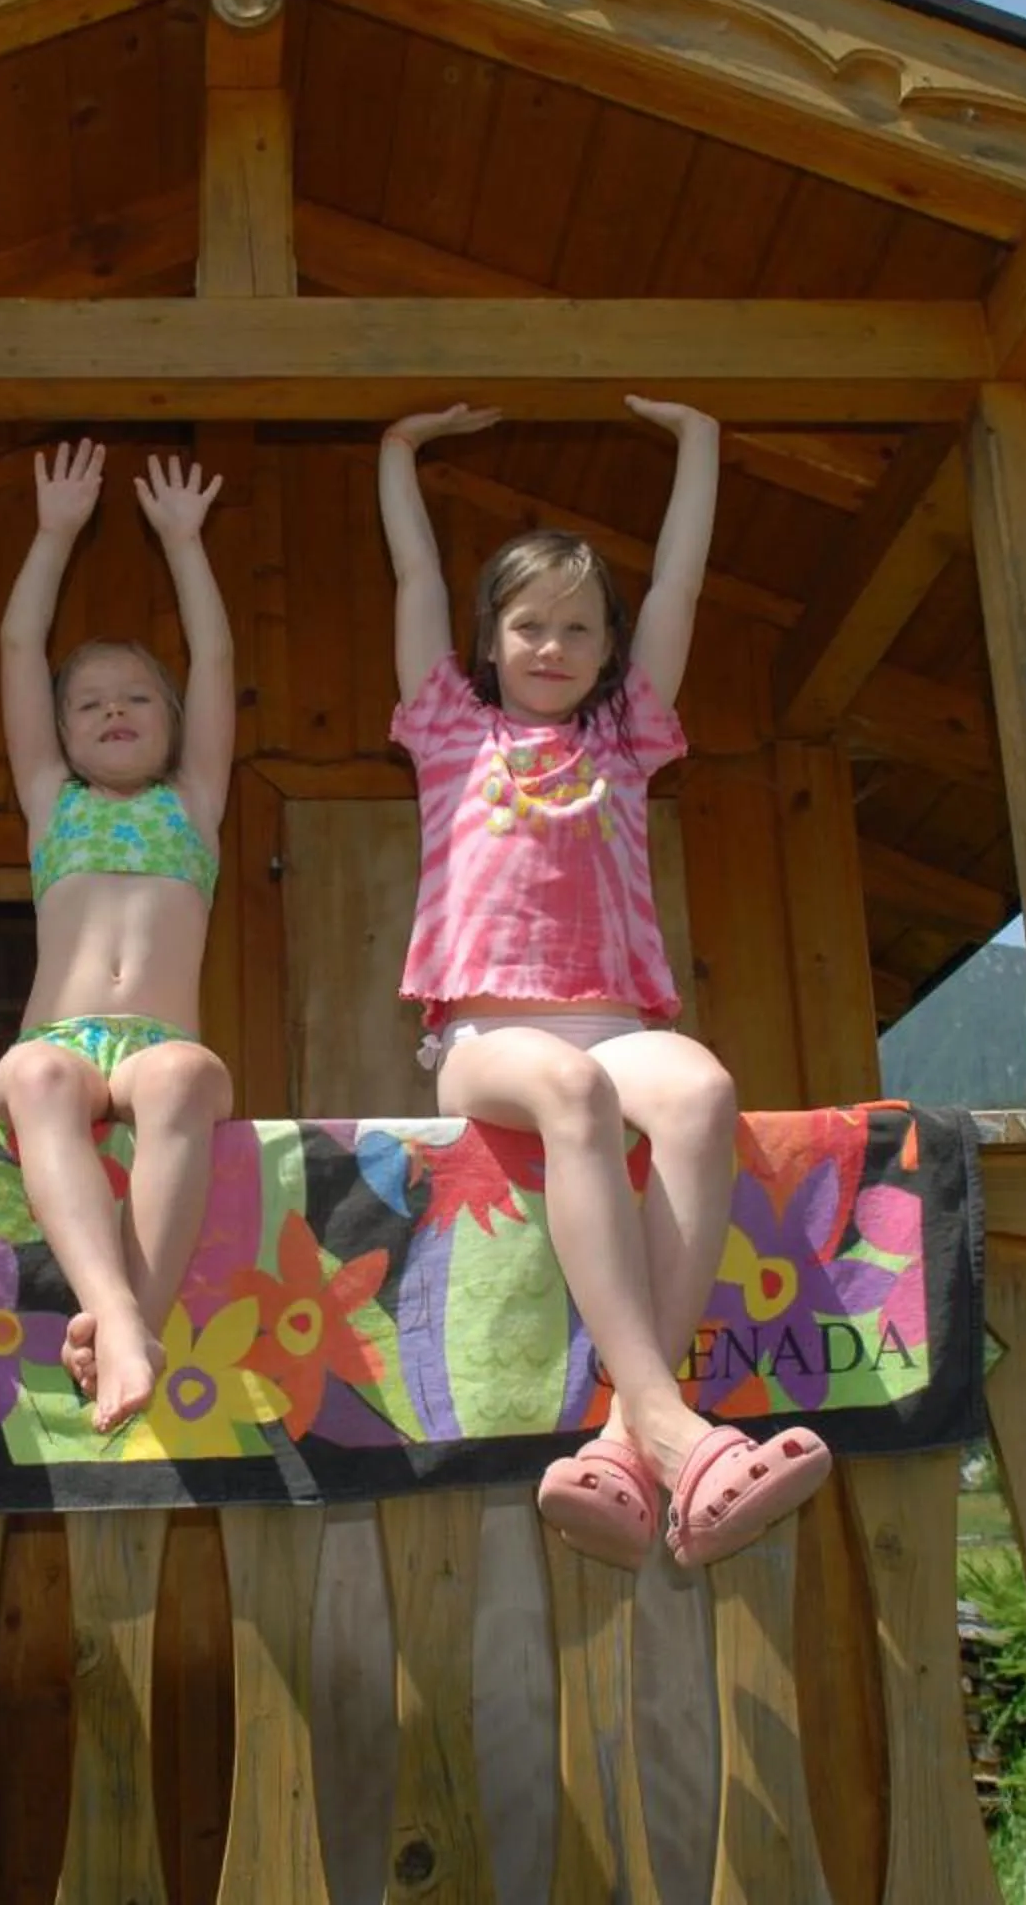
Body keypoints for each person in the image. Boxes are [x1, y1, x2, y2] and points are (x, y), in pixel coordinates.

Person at [377, 397, 829, 1570]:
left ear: (607, 651)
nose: (552, 647)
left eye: (579, 630)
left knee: (698, 1093)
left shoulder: (624, 739)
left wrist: (701, 444)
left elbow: (677, 591)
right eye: (529, 625)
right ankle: (675, 1426)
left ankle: (632, 1445)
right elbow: (414, 576)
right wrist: (398, 456)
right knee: (573, 1093)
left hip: (618, 1022)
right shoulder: (447, 729)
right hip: (484, 1033)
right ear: (488, 640)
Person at [0, 440, 236, 1433]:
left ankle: (129, 1319)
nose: (114, 711)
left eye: (136, 697)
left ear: (173, 725)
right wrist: (52, 534)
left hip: (155, 1050)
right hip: (56, 1042)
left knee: (184, 1077)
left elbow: (214, 657)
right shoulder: (51, 801)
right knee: (40, 1081)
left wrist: (186, 542)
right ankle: (124, 1316)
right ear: (61, 733)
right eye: (88, 703)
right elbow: (17, 649)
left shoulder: (196, 802)